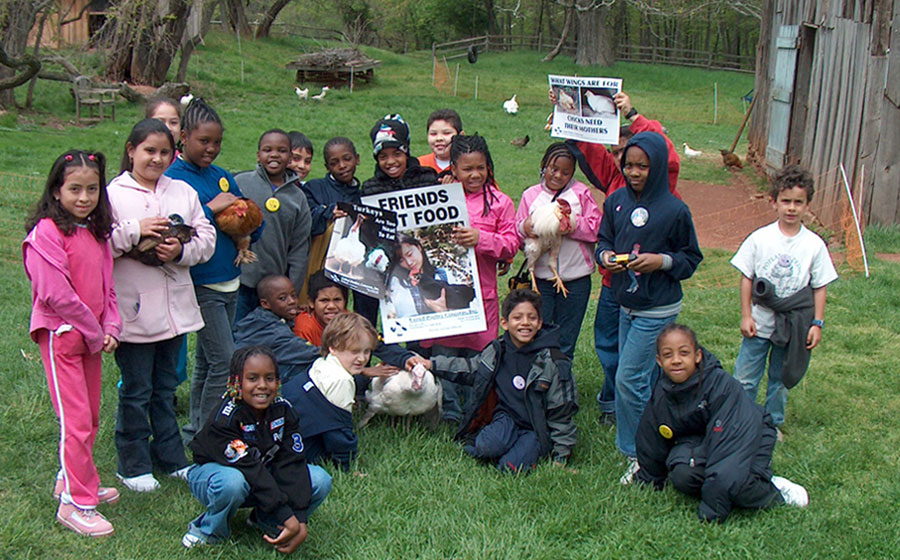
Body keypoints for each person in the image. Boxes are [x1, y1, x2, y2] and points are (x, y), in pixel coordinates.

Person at [550, 90, 682, 426]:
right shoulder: (615, 183)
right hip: (613, 286)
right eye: (621, 156)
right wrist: (569, 112)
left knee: (645, 352)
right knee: (608, 343)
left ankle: (648, 402)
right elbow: (590, 149)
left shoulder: (666, 189)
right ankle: (613, 399)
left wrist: (634, 116)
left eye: (640, 160)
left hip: (652, 292)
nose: (630, 166)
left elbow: (664, 149)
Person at [107, 118, 217, 493]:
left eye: (164, 152)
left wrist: (181, 250)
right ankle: (132, 461)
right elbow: (101, 243)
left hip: (174, 310)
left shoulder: (182, 191)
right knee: (136, 388)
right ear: (131, 150)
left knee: (165, 386)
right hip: (134, 308)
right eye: (148, 151)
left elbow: (207, 237)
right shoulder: (113, 194)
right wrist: (135, 231)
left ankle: (170, 457)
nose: (156, 158)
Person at [23, 150, 122, 537]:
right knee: (75, 421)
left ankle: (75, 478)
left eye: (92, 189)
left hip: (91, 340)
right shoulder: (47, 232)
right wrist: (93, 330)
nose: (84, 198)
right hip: (64, 338)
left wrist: (110, 324)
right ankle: (76, 505)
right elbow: (55, 294)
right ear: (56, 190)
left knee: (91, 417)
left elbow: (107, 286)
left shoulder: (95, 233)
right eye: (74, 189)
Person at [596, 131, 702, 483]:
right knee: (642, 379)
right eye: (629, 165)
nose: (635, 172)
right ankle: (649, 440)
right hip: (625, 302)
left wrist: (662, 262)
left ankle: (642, 456)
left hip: (657, 308)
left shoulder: (675, 209)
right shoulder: (616, 202)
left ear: (657, 167)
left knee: (629, 379)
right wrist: (606, 256)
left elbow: (690, 257)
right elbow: (604, 239)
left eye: (643, 166)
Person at [634, 324, 810, 523]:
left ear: (698, 356)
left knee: (736, 485)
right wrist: (650, 478)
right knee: (682, 476)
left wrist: (712, 510)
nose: (676, 361)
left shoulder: (721, 386)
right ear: (659, 361)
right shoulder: (664, 389)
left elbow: (729, 449)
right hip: (704, 440)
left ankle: (774, 491)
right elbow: (651, 435)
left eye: (684, 353)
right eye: (668, 355)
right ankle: (721, 486)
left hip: (748, 435)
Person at [165, 97, 262, 443]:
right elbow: (178, 230)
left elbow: (247, 220)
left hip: (230, 282)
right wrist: (210, 209)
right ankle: (211, 435)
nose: (211, 148)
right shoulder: (174, 180)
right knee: (225, 362)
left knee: (208, 362)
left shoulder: (222, 177)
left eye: (217, 142)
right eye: (203, 141)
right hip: (200, 284)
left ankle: (195, 430)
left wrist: (248, 223)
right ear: (184, 137)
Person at [182, 346, 332, 551]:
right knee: (232, 483)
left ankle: (268, 522)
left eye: (269, 378)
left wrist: (299, 517)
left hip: (259, 473)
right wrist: (286, 514)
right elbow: (248, 467)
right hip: (217, 475)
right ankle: (209, 531)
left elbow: (292, 462)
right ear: (237, 383)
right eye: (252, 379)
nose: (262, 386)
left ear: (278, 381)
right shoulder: (226, 416)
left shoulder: (284, 410)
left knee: (319, 479)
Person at [417, 134, 518, 424]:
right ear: (453, 169)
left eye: (481, 168)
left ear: (489, 167)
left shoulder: (500, 203)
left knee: (480, 359)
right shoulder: (437, 197)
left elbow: (511, 245)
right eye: (467, 169)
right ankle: (448, 413)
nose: (475, 175)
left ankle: (476, 412)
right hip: (445, 299)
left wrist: (481, 238)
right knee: (444, 354)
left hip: (480, 298)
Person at [730, 165, 838, 437]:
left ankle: (772, 423)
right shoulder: (760, 239)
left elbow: (819, 286)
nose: (791, 208)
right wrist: (746, 315)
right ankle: (741, 419)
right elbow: (747, 277)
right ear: (774, 201)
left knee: (780, 379)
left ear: (807, 205)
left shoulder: (814, 245)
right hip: (760, 321)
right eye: (786, 201)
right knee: (745, 377)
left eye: (798, 202)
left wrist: (817, 323)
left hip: (793, 325)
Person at [429, 290, 578, 473]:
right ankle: (506, 441)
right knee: (485, 447)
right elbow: (469, 368)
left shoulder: (553, 361)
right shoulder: (497, 350)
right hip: (506, 418)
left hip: (535, 428)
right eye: (517, 317)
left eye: (532, 318)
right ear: (505, 323)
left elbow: (561, 412)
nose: (525, 323)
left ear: (540, 323)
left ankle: (526, 447)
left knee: (510, 468)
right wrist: (430, 363)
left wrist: (561, 456)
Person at [516, 142, 602, 359]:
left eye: (565, 172)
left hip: (577, 276)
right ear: (544, 166)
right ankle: (537, 380)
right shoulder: (531, 195)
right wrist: (524, 228)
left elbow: (596, 228)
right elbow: (517, 235)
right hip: (542, 277)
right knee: (538, 332)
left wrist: (569, 225)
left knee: (567, 336)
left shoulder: (581, 193)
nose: (558, 175)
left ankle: (561, 381)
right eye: (553, 169)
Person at [234, 128, 311, 323]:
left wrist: (290, 291)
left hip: (275, 290)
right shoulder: (241, 183)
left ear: (290, 157)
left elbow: (299, 248)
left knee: (269, 342)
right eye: (267, 150)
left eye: (282, 150)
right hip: (239, 281)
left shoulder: (298, 198)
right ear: (258, 155)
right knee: (236, 337)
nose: (274, 154)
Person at [293, 313, 379, 470]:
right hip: (303, 448)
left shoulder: (320, 363)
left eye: (366, 351)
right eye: (354, 351)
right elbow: (338, 429)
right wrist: (346, 465)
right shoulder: (342, 380)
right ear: (333, 347)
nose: (362, 358)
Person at [300, 137, 362, 309]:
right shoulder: (314, 188)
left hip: (349, 267)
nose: (342, 166)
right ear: (327, 167)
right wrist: (328, 212)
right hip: (316, 264)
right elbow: (305, 222)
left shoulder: (363, 195)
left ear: (357, 159)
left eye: (347, 159)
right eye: (335, 163)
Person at [386, 233, 475, 319]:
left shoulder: (444, 274)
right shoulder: (400, 286)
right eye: (401, 260)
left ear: (418, 247)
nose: (409, 262)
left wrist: (444, 312)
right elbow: (408, 321)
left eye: (410, 254)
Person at [293, 270, 349, 346]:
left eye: (337, 300)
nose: (331, 306)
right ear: (311, 302)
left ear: (345, 301)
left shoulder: (349, 322)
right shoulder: (305, 328)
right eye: (324, 300)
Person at [417, 109, 463, 173]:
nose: (439, 138)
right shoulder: (419, 164)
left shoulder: (469, 164)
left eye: (446, 133)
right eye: (433, 134)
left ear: (461, 135)